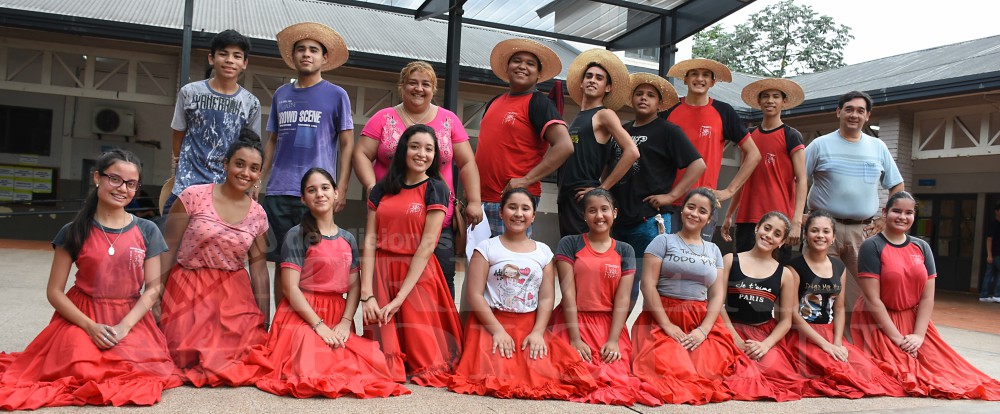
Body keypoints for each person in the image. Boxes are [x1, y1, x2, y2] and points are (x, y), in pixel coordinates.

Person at [0, 150, 181, 410]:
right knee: (79, 367)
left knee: (139, 371)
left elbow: (153, 288)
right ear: (97, 177)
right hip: (81, 316)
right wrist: (90, 326)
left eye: (131, 184)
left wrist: (124, 327)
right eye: (115, 179)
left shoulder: (147, 230)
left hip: (129, 317)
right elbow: (54, 292)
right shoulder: (73, 231)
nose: (123, 189)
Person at [252, 168, 409, 399]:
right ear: (304, 199)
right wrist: (319, 325)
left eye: (325, 188)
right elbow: (289, 288)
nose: (320, 194)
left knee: (366, 364)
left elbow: (355, 286)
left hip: (337, 313)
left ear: (336, 193)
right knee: (312, 361)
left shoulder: (348, 238)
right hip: (301, 314)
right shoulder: (297, 235)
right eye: (312, 190)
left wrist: (346, 322)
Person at [631, 188, 776, 405]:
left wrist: (703, 330)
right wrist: (667, 326)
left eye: (702, 211)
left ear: (708, 219)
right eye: (690, 207)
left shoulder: (713, 250)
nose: (694, 214)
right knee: (673, 372)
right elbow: (648, 286)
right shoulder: (663, 242)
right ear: (682, 210)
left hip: (701, 318)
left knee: (712, 371)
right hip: (663, 316)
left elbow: (717, 295)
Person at [449, 188, 597, 400]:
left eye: (525, 208)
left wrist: (538, 332)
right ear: (501, 213)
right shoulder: (486, 247)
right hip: (490, 323)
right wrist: (497, 331)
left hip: (529, 325)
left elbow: (546, 298)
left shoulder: (544, 252)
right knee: (494, 374)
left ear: (533, 216)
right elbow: (475, 295)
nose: (518, 213)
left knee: (544, 373)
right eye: (512, 207)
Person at [851, 192, 1000, 400]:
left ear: (914, 216)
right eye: (896, 211)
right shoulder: (872, 246)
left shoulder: (921, 246)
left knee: (945, 371)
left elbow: (927, 297)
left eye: (908, 212)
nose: (902, 216)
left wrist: (919, 336)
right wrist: (897, 338)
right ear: (885, 213)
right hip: (879, 322)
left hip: (915, 323)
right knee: (897, 374)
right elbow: (872, 299)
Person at [356, 60, 483, 298]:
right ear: (401, 86)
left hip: (436, 217)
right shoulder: (383, 118)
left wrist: (474, 200)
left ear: (433, 89)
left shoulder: (449, 119)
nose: (419, 88)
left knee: (441, 280)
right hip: (391, 217)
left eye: (426, 84)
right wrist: (372, 186)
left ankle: (444, 334)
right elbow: (361, 153)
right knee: (391, 280)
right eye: (412, 83)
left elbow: (466, 162)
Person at [159, 131, 271, 387]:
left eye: (254, 168)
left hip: (233, 293)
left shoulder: (258, 214)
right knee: (183, 355)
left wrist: (263, 320)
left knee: (243, 355)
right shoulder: (192, 196)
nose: (245, 173)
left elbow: (260, 270)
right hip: (188, 288)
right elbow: (168, 249)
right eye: (239, 164)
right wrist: (154, 297)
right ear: (225, 165)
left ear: (259, 175)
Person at [360, 124, 462, 387]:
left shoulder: (437, 189)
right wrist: (366, 294)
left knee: (427, 365)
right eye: (415, 146)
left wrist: (400, 298)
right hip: (381, 273)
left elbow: (428, 245)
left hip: (418, 276)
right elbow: (370, 240)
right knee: (382, 364)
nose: (422, 154)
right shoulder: (381, 189)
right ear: (404, 149)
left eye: (429, 149)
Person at [261, 23, 355, 306]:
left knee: (315, 260)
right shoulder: (281, 94)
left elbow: (348, 143)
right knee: (281, 262)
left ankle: (311, 322)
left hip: (316, 193)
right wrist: (259, 181)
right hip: (279, 191)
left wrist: (343, 186)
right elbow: (273, 141)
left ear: (324, 58)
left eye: (313, 50)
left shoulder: (337, 95)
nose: (306, 54)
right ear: (293, 56)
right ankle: (281, 326)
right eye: (301, 49)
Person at [549, 188, 657, 406]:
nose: (599, 216)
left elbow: (623, 299)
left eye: (604, 209)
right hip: (572, 322)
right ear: (584, 215)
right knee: (573, 375)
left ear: (615, 213)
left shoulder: (625, 250)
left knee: (615, 377)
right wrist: (575, 338)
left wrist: (614, 340)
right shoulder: (569, 243)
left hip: (609, 327)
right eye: (592, 210)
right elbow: (568, 293)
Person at [785, 210, 906, 398]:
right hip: (804, 335)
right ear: (806, 234)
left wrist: (837, 341)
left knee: (866, 371)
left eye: (826, 232)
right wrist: (825, 345)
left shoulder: (838, 266)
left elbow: (839, 307)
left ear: (833, 237)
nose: (820, 236)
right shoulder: (794, 267)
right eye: (814, 231)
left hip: (831, 333)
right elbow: (792, 314)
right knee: (835, 372)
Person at [611, 73, 705, 309]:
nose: (644, 98)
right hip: (619, 217)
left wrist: (672, 196)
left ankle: (647, 336)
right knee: (618, 281)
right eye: (639, 94)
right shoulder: (622, 130)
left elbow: (698, 164)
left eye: (650, 95)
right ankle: (617, 333)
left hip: (650, 220)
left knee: (648, 283)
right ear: (632, 98)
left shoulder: (668, 131)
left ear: (659, 103)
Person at [805, 90, 904, 315]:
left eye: (860, 111)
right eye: (849, 109)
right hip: (823, 229)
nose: (854, 115)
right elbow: (796, 181)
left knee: (861, 292)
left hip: (864, 231)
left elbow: (897, 185)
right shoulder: (820, 145)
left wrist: (884, 219)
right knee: (819, 287)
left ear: (868, 116)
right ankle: (819, 341)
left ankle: (853, 343)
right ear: (838, 111)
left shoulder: (878, 147)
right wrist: (796, 216)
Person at [476, 38, 573, 237]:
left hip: (513, 200)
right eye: (517, 61)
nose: (522, 66)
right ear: (507, 67)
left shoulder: (539, 103)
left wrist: (526, 180)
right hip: (480, 201)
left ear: (538, 74)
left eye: (530, 64)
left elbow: (565, 146)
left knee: (509, 266)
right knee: (479, 264)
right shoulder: (494, 101)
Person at [659, 59, 761, 240]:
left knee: (698, 264)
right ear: (685, 79)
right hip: (669, 203)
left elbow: (754, 154)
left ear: (713, 82)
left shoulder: (723, 111)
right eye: (694, 74)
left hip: (703, 205)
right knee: (667, 263)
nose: (700, 79)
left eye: (706, 75)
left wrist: (729, 191)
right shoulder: (669, 109)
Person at [166, 29, 261, 219]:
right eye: (223, 54)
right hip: (186, 186)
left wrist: (255, 185)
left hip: (227, 190)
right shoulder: (190, 92)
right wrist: (181, 166)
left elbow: (252, 149)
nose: (229, 60)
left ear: (244, 63)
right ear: (211, 58)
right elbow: (178, 133)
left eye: (237, 56)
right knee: (170, 243)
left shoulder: (251, 103)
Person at [719, 211, 804, 402]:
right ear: (757, 229)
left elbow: (786, 321)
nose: (769, 235)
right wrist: (735, 338)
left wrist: (765, 346)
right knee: (728, 372)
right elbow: (717, 304)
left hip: (762, 334)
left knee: (778, 374)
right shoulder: (730, 260)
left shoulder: (785, 275)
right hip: (728, 329)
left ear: (782, 242)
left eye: (777, 234)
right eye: (766, 228)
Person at [722, 79, 807, 261]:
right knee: (743, 276)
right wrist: (729, 215)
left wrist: (796, 221)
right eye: (766, 96)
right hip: (746, 218)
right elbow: (743, 178)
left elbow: (801, 179)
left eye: (776, 96)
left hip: (778, 220)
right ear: (759, 102)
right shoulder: (749, 136)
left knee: (775, 278)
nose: (770, 100)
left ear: (784, 102)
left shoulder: (791, 135)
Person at [557, 49, 638, 237]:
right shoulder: (578, 117)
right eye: (589, 76)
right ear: (582, 82)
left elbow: (632, 152)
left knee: (583, 256)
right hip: (566, 195)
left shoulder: (604, 114)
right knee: (569, 254)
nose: (592, 80)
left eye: (599, 78)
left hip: (585, 196)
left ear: (607, 87)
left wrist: (602, 189)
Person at [979, 202, 1000, 302]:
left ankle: (985, 295)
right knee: (989, 274)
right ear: (996, 211)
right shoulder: (993, 224)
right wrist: (989, 255)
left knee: (990, 274)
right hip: (995, 254)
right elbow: (989, 239)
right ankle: (995, 295)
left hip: (996, 255)